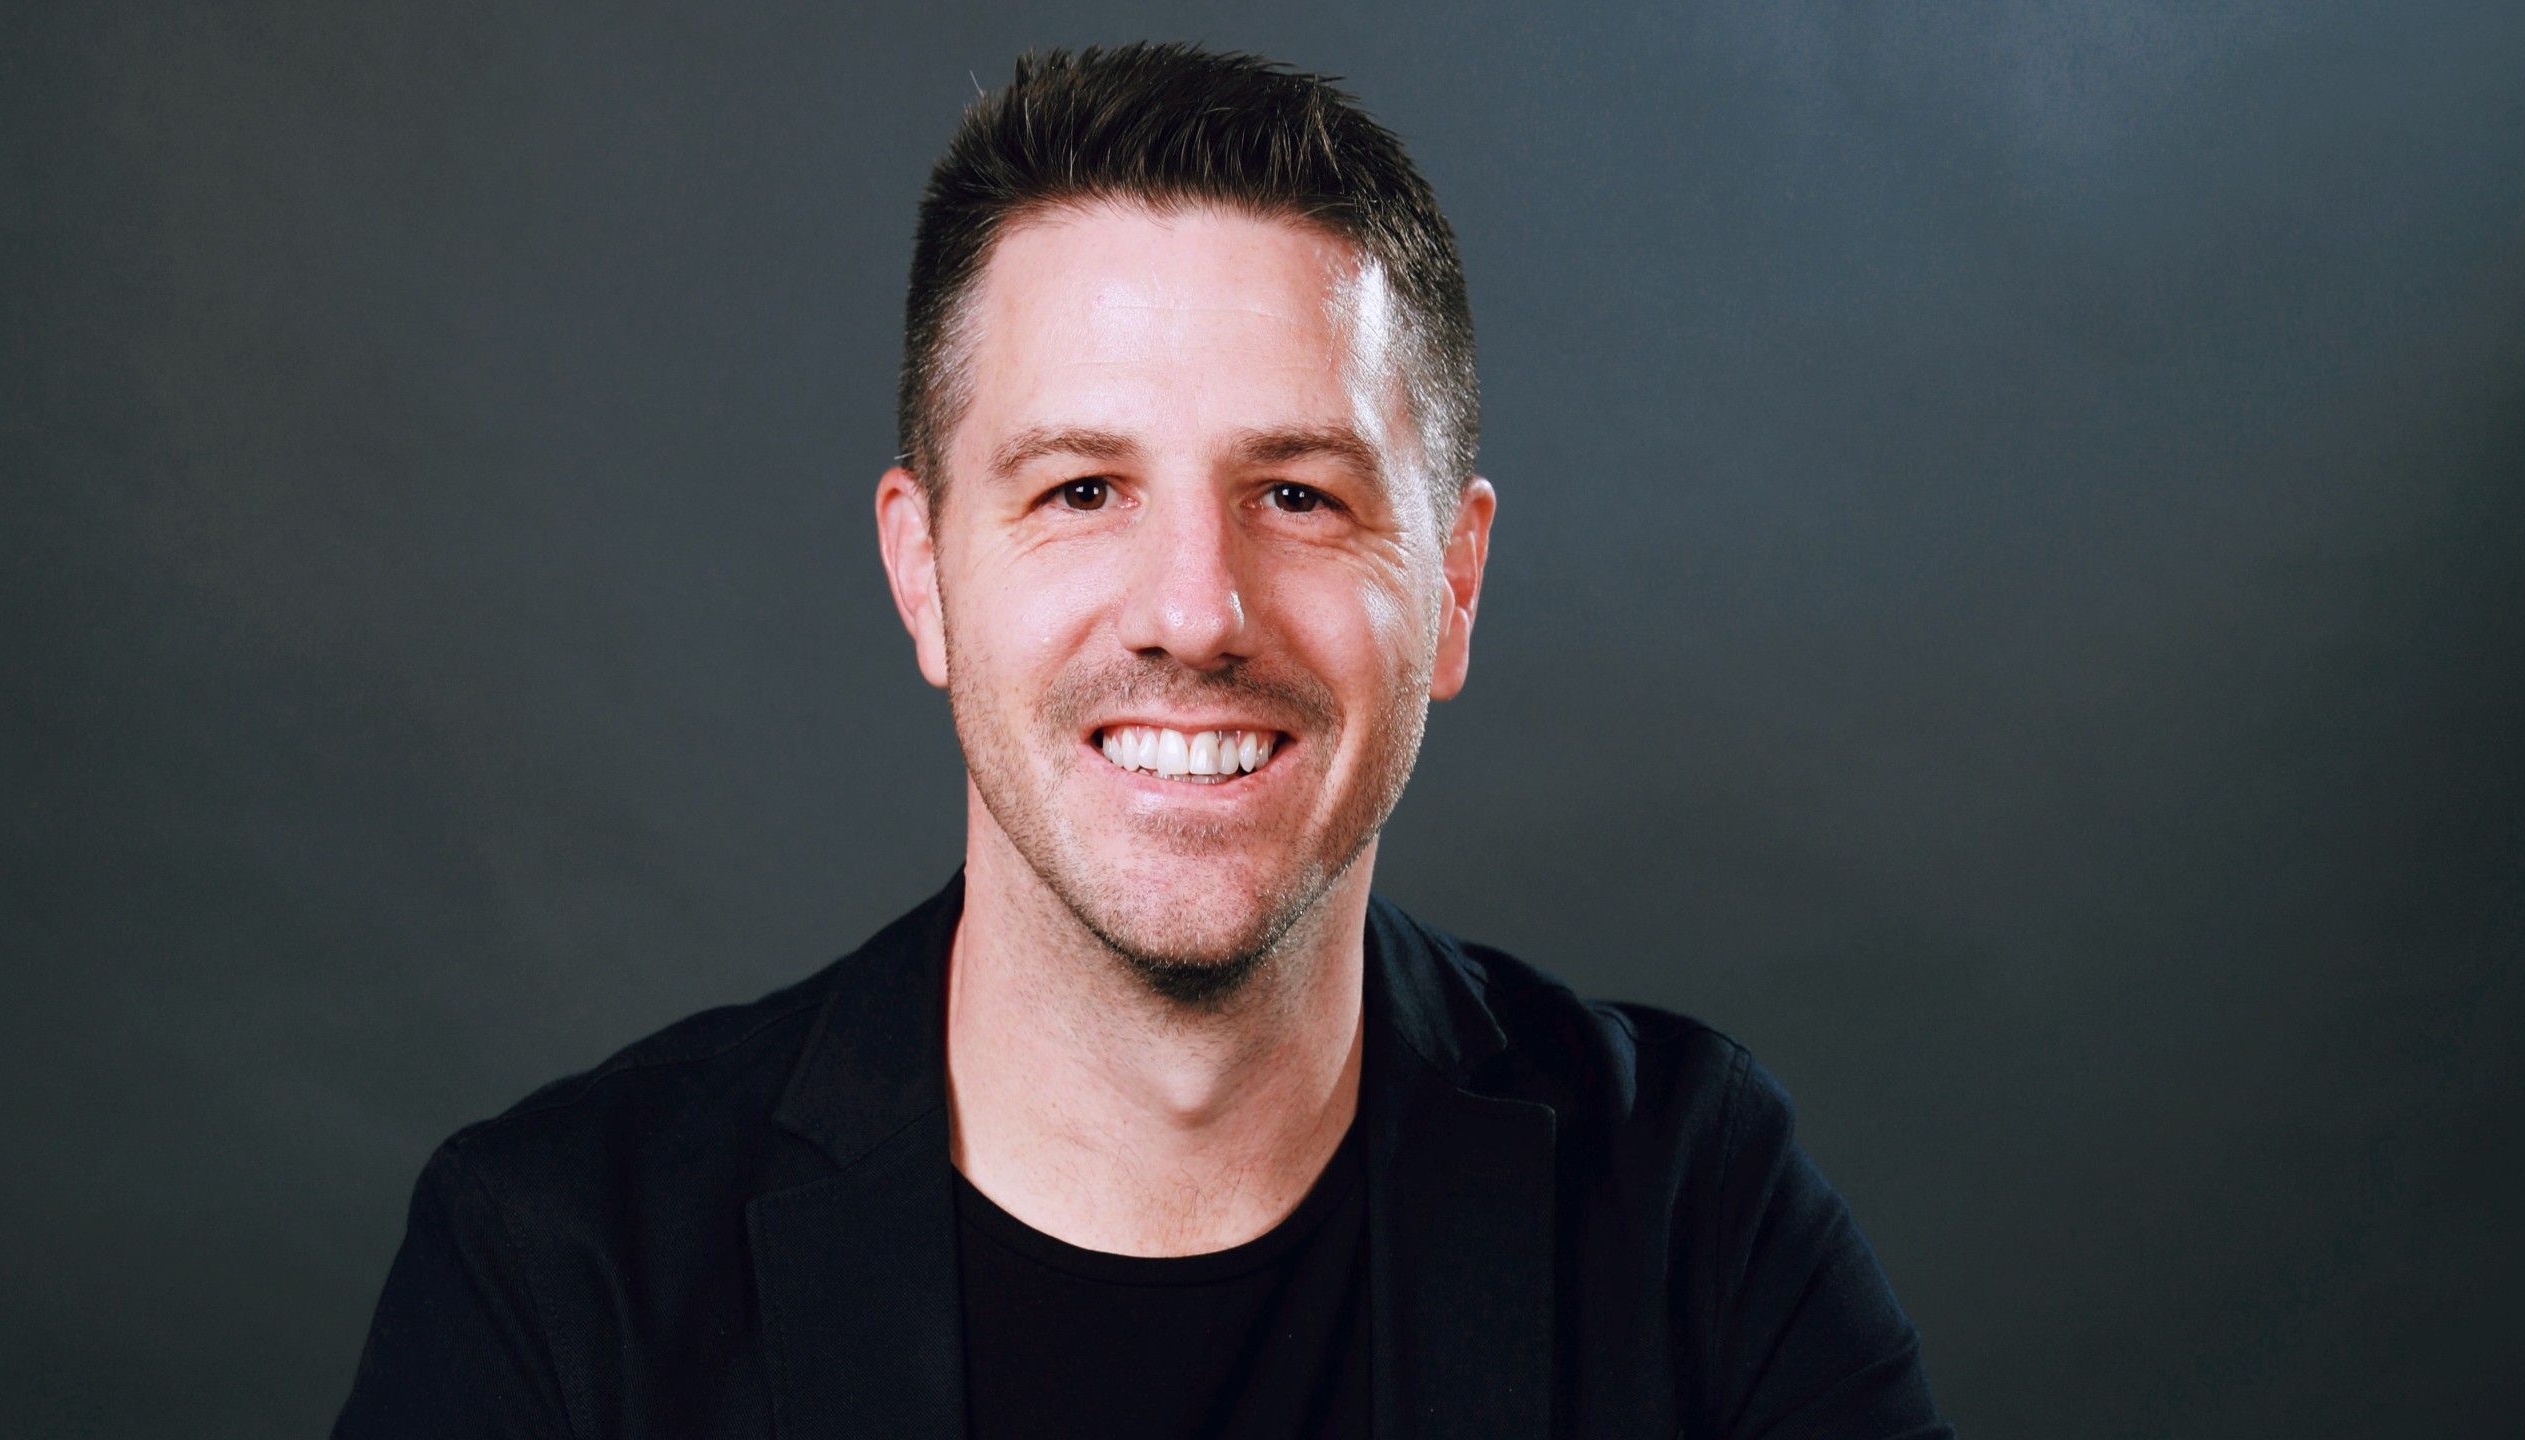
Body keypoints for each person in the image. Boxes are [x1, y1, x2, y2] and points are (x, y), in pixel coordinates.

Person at [336, 42, 1953, 1440]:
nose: (1194, 610)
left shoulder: (1692, 1220)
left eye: (1298, 494)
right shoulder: (561, 1271)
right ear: (924, 573)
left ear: (1453, 586)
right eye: (1083, 489)